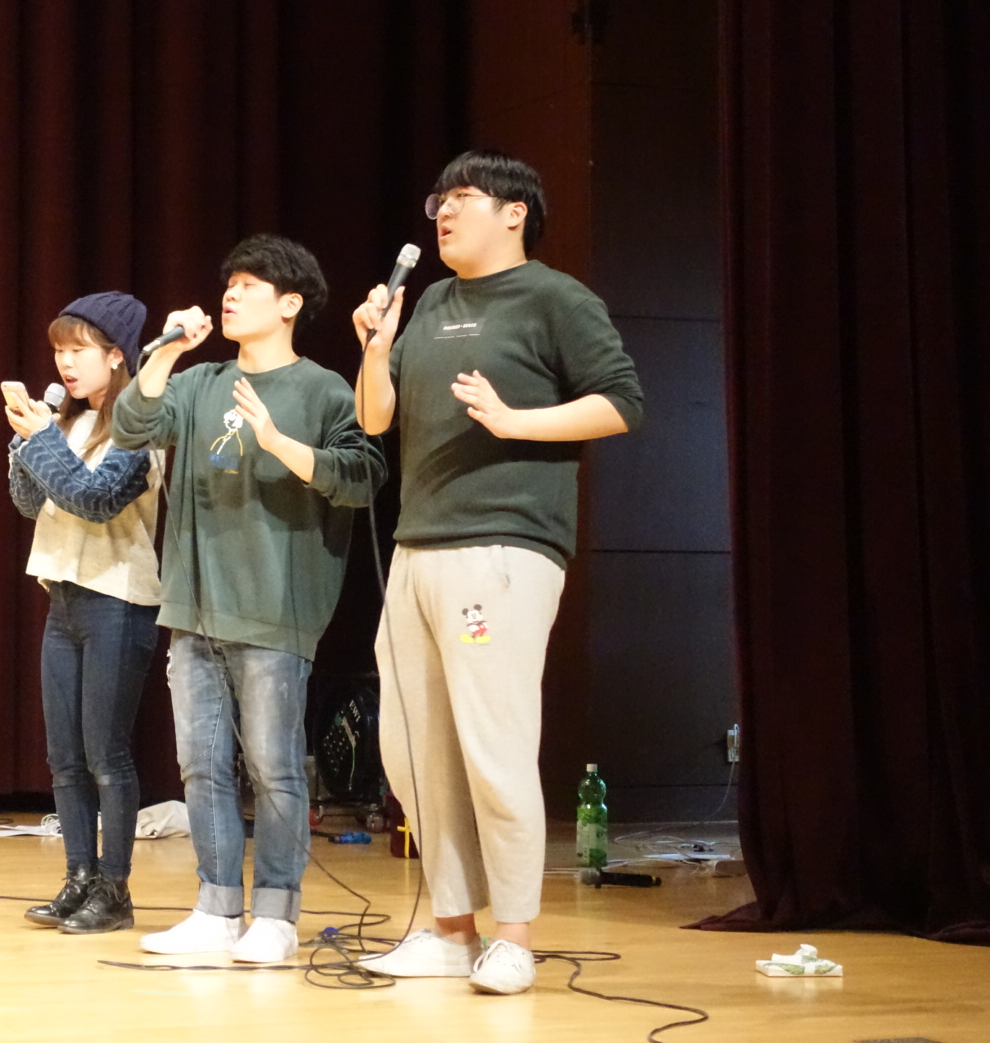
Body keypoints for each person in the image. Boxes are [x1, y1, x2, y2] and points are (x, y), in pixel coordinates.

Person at [351, 151, 644, 993]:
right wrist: (376, 348)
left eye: (464, 197)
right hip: (417, 546)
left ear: (515, 212)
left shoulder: (556, 298)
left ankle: (513, 935)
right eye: (438, 200)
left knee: (493, 743)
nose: (443, 211)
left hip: (504, 547)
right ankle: (450, 930)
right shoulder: (432, 303)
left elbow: (622, 402)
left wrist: (516, 421)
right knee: (414, 750)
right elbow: (375, 418)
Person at [111, 234, 386, 963]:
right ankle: (215, 910)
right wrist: (166, 353)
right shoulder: (201, 382)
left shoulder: (324, 390)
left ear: (290, 304)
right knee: (201, 767)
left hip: (274, 609)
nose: (230, 295)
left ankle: (275, 914)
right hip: (194, 606)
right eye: (228, 284)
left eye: (249, 286)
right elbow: (132, 426)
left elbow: (362, 475)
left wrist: (280, 444)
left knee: (274, 768)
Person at [6, 292, 164, 935]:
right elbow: (28, 503)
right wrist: (24, 442)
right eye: (58, 352)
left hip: (118, 599)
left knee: (106, 754)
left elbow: (95, 499)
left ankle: (114, 890)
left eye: (78, 350)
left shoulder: (138, 425)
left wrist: (42, 441)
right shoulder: (64, 421)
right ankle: (78, 878)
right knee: (64, 757)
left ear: (117, 355)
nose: (65, 363)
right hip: (65, 597)